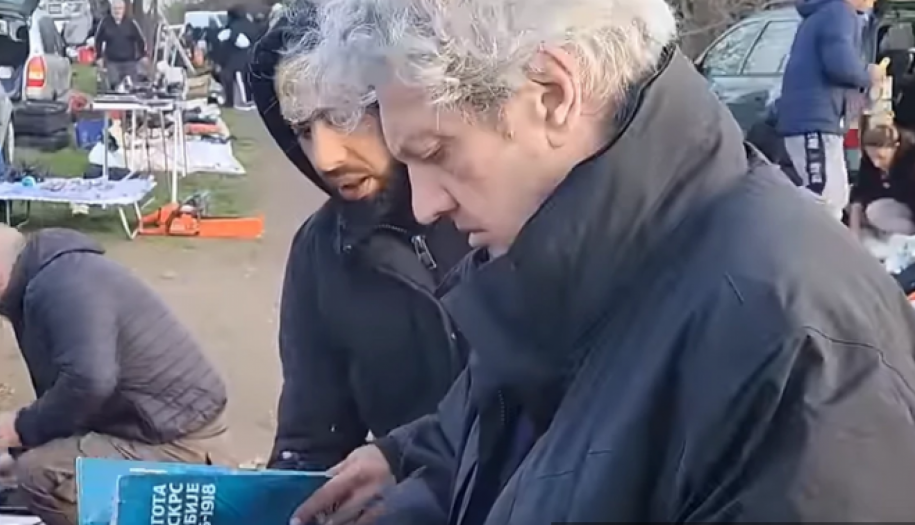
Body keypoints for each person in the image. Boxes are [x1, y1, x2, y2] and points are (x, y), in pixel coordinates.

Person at [292, 0, 915, 522]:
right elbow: (519, 458)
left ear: (553, 95)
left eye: (436, 152)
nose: (424, 204)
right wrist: (411, 470)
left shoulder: (796, 356)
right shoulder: (555, 269)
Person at [249, 1, 471, 475]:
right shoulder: (320, 252)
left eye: (344, 116)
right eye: (302, 129)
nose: (325, 158)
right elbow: (311, 442)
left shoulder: (497, 210)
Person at [0, 225, 231, 525]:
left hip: (178, 441)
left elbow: (89, 382)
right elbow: (74, 395)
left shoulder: (59, 287)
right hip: (154, 423)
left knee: (39, 474)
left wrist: (23, 427)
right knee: (34, 464)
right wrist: (22, 449)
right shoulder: (54, 276)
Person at [777, 0, 883, 219]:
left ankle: (820, 238)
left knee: (837, 195)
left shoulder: (825, 13)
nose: (873, 2)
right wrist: (868, 74)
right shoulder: (838, 12)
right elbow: (840, 65)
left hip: (822, 120)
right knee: (823, 195)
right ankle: (793, 231)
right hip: (812, 120)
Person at [849, 123, 915, 235]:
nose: (876, 163)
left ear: (895, 147)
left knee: (876, 212)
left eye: (881, 157)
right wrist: (854, 233)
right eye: (872, 157)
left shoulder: (910, 162)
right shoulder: (868, 163)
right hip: (894, 204)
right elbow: (859, 194)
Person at [93, 0, 147, 91]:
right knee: (114, 87)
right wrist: (99, 57)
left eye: (119, 8)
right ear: (111, 10)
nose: (117, 11)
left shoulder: (131, 23)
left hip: (129, 62)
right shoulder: (105, 23)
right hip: (112, 62)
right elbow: (98, 40)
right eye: (115, 9)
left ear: (124, 10)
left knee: (132, 88)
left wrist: (143, 55)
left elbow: (140, 39)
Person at [212, 6, 257, 109]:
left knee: (238, 79)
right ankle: (244, 100)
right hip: (249, 56)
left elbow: (239, 41)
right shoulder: (249, 24)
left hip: (236, 58)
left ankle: (241, 101)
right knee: (243, 79)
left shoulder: (233, 26)